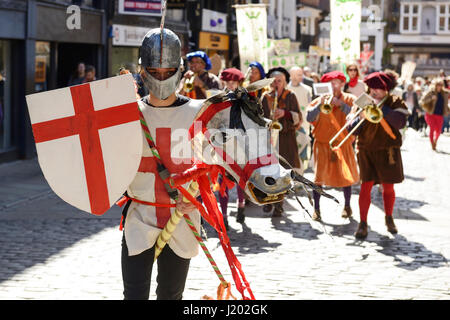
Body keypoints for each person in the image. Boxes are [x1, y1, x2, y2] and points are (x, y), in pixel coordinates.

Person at [120, 27, 202, 300]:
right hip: (140, 217)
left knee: (171, 295)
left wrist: (198, 195)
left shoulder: (199, 112)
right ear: (143, 71)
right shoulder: (130, 114)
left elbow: (213, 165)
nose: (162, 77)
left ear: (179, 70)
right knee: (134, 295)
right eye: (156, 72)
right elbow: (112, 164)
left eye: (168, 72)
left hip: (182, 217)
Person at [350, 71, 409, 239]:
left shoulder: (395, 101)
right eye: (372, 88)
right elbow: (350, 128)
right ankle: (362, 223)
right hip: (366, 149)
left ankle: (389, 217)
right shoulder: (363, 101)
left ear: (386, 89)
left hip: (387, 151)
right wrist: (359, 117)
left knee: (388, 187)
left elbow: (400, 122)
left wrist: (383, 109)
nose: (374, 91)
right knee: (365, 187)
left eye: (378, 88)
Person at [306, 71, 360, 221]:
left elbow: (357, 118)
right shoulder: (319, 100)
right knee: (318, 178)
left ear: (343, 84)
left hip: (343, 144)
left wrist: (342, 105)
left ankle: (347, 206)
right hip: (322, 144)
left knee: (345, 176)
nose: (334, 86)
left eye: (337, 82)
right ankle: (316, 209)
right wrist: (319, 105)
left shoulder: (350, 99)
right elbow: (309, 117)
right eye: (330, 83)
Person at [261, 67, 302, 217]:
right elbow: (259, 117)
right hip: (269, 139)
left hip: (286, 138)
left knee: (282, 172)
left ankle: (279, 203)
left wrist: (285, 113)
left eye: (280, 81)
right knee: (269, 171)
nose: (277, 83)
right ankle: (270, 199)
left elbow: (298, 116)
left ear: (285, 82)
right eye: (275, 81)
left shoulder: (291, 95)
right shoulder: (265, 96)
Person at [217, 68, 248, 226]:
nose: (230, 85)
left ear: (239, 83)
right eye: (227, 82)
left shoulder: (245, 98)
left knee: (240, 178)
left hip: (240, 142)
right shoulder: (218, 98)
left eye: (233, 82)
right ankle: (223, 216)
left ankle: (241, 206)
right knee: (223, 181)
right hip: (223, 144)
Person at [288, 66, 312, 172]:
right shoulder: (286, 90)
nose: (300, 77)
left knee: (302, 151)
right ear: (291, 75)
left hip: (304, 125)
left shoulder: (307, 89)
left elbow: (310, 106)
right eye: (298, 74)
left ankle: (301, 173)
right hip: (289, 126)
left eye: (301, 74)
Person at [419, 77, 450, 151]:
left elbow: (446, 103)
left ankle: (435, 141)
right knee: (432, 129)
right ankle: (432, 143)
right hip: (430, 114)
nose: (439, 86)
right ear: (435, 85)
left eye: (440, 85)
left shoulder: (445, 93)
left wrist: (447, 109)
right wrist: (431, 98)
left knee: (439, 131)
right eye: (437, 85)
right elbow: (422, 101)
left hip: (440, 114)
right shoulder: (431, 92)